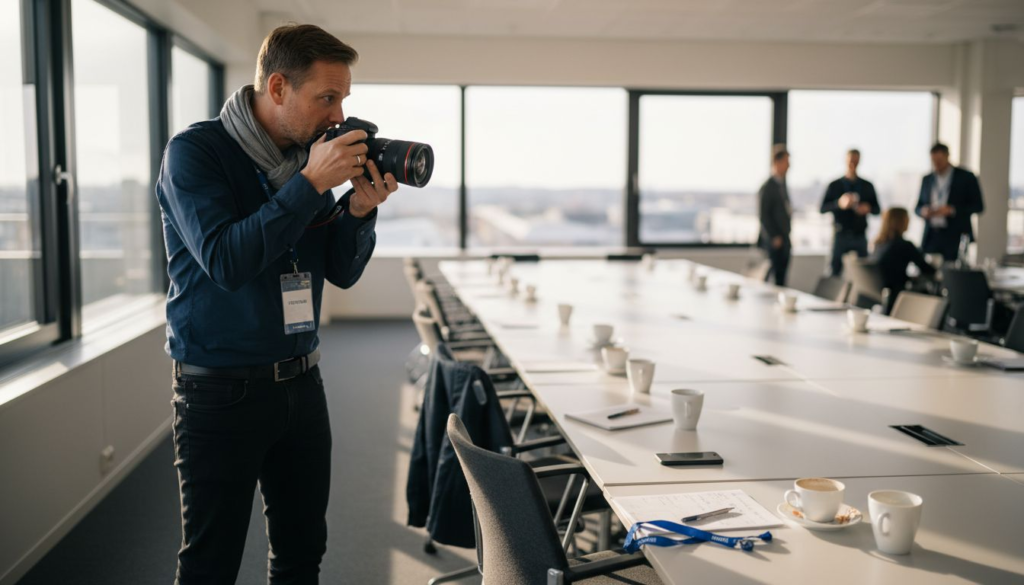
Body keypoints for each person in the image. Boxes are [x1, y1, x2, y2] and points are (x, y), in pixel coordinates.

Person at [156, 24, 399, 584]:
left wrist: (359, 213)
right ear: (279, 86)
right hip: (219, 391)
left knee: (301, 552)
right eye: (327, 98)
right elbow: (226, 262)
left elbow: (338, 270)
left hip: (302, 385)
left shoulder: (304, 162)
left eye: (343, 99)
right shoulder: (195, 154)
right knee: (210, 563)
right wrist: (311, 185)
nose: (339, 116)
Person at [915, 142, 984, 262]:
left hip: (955, 236)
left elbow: (979, 206)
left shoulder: (966, 177)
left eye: (939, 160)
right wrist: (923, 211)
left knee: (953, 273)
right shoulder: (927, 179)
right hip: (932, 235)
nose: (936, 164)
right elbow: (918, 206)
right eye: (934, 161)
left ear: (947, 156)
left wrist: (952, 210)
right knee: (929, 272)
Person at [820, 149, 880, 276]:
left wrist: (867, 208)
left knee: (865, 273)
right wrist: (839, 204)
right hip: (840, 234)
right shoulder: (835, 185)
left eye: (856, 161)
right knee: (833, 271)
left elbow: (877, 209)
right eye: (850, 160)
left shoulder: (866, 186)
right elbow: (822, 208)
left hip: (859, 234)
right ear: (845, 161)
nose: (853, 163)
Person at [872, 207, 935, 310]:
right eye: (907, 219)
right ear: (901, 222)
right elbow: (927, 269)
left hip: (880, 293)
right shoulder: (905, 245)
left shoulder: (878, 243)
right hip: (897, 295)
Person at [758, 145, 792, 286]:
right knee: (772, 280)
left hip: (784, 240)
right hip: (774, 242)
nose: (789, 166)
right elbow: (763, 215)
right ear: (777, 162)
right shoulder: (768, 187)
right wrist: (774, 236)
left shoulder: (782, 185)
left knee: (781, 280)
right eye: (786, 161)